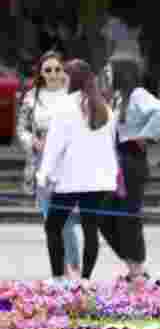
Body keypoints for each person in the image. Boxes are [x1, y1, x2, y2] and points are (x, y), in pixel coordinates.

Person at [35, 59, 121, 284]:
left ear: (72, 80)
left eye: (64, 77)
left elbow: (54, 146)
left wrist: (43, 176)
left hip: (70, 181)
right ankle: (85, 280)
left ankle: (58, 277)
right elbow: (110, 146)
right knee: (90, 228)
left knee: (53, 226)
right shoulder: (104, 107)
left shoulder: (64, 106)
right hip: (99, 181)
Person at [16, 50, 82, 279]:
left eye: (57, 69)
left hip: (68, 166)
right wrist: (32, 141)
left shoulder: (73, 96)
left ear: (63, 70)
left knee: (70, 222)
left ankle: (74, 270)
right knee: (51, 222)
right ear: (41, 73)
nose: (53, 74)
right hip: (41, 165)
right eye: (48, 70)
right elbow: (21, 129)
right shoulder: (31, 97)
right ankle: (59, 274)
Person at [108, 58, 160, 282]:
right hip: (114, 162)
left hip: (130, 162)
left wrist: (144, 136)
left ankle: (137, 270)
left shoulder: (138, 94)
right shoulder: (116, 98)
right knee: (105, 216)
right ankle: (134, 266)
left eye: (109, 70)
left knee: (128, 217)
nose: (105, 74)